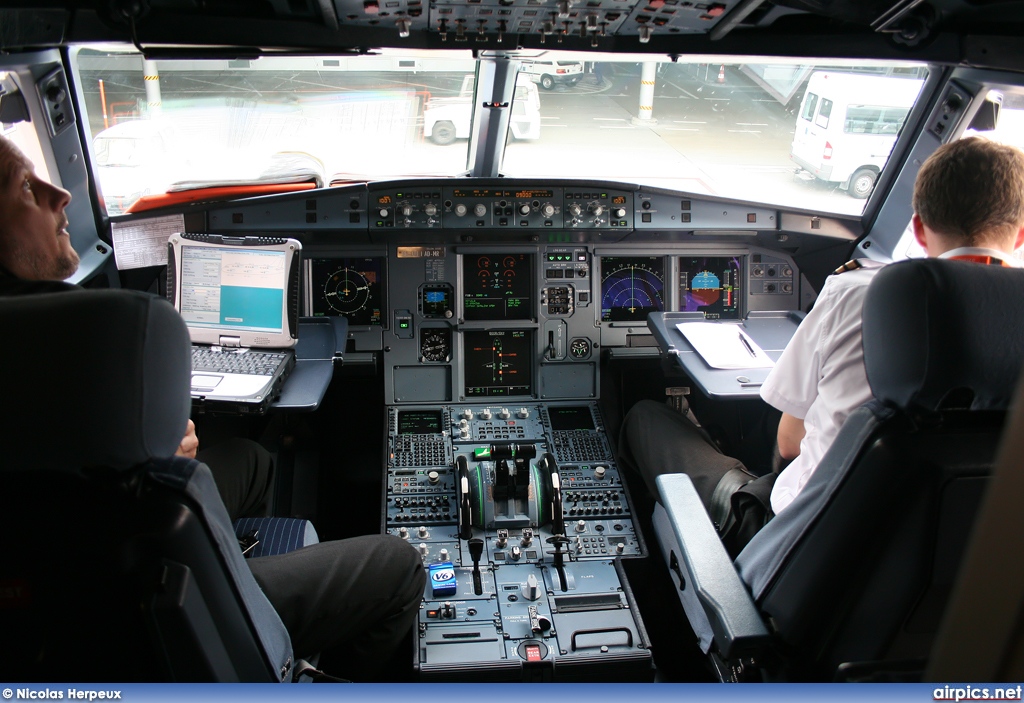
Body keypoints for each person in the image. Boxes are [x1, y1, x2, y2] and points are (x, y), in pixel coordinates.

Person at [0, 133, 425, 680]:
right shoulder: (106, 336)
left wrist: (159, 463)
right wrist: (167, 467)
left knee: (252, 458)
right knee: (401, 564)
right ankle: (294, 653)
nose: (59, 193)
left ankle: (245, 563)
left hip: (81, 569)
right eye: (24, 186)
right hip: (143, 589)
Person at [619, 136, 1024, 555]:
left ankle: (670, 570)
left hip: (795, 546)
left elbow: (790, 444)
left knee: (646, 418)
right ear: (1021, 232)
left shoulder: (856, 294)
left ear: (919, 229)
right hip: (951, 560)